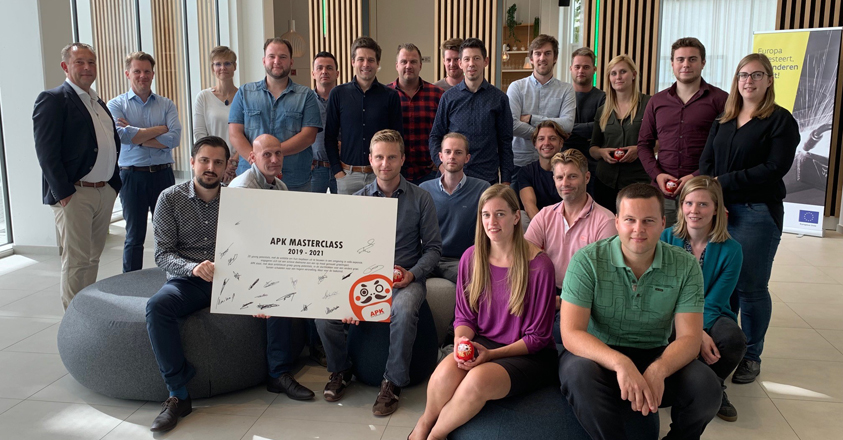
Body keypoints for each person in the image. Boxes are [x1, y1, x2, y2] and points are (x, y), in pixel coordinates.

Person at [558, 183, 721, 440]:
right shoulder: (587, 260)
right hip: (600, 355)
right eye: (630, 220)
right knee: (577, 373)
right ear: (617, 222)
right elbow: (571, 333)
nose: (638, 229)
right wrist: (620, 363)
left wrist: (660, 369)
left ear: (663, 223)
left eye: (648, 221)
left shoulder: (686, 266)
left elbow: (690, 339)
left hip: (655, 352)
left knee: (707, 388)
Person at [408, 184, 557, 440]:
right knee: (444, 373)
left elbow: (538, 338)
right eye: (486, 215)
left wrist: (490, 355)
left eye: (500, 214)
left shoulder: (539, 265)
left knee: (477, 380)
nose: (492, 222)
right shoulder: (471, 257)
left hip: (530, 354)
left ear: (516, 217)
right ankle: (422, 426)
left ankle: (435, 436)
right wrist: (461, 342)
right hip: (484, 343)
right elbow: (465, 316)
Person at [315, 130, 442, 416]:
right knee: (323, 312)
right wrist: (348, 294)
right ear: (370, 159)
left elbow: (434, 249)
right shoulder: (357, 200)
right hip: (363, 278)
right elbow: (346, 250)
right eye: (380, 157)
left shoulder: (421, 198)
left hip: (405, 280)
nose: (386, 164)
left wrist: (412, 274)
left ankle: (392, 382)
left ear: (403, 159)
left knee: (404, 309)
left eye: (392, 157)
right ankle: (341, 369)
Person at [700, 53, 800, 385]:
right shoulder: (724, 118)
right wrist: (712, 192)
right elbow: (706, 162)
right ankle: (727, 348)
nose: (749, 81)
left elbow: (774, 168)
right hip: (720, 212)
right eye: (743, 75)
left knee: (751, 287)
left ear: (769, 80)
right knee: (722, 284)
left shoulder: (779, 120)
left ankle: (752, 355)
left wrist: (723, 183)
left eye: (757, 75)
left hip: (756, 211)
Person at [146, 136, 229, 433]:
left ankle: (280, 374)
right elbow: (163, 254)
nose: (211, 167)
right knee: (157, 307)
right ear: (192, 162)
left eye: (218, 162)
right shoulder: (170, 198)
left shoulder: (237, 200)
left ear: (226, 167)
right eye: (204, 160)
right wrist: (193, 268)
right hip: (189, 280)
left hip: (232, 278)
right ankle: (179, 394)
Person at [33, 43, 121, 310]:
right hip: (75, 193)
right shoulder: (53, 99)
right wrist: (64, 193)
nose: (87, 67)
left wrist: (113, 186)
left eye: (91, 62)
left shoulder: (97, 101)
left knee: (92, 258)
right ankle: (73, 321)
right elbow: (46, 152)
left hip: (103, 191)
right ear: (65, 66)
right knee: (76, 261)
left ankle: (85, 312)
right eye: (79, 62)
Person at [228, 133, 316, 400]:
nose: (275, 159)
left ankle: (316, 347)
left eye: (278, 153)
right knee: (277, 294)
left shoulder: (279, 186)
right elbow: (239, 247)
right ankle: (278, 373)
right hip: (242, 268)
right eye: (267, 154)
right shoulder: (243, 188)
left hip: (267, 260)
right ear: (252, 157)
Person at [660, 175, 746, 422]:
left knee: (732, 340)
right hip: (668, 312)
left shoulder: (732, 250)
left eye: (703, 204)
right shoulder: (666, 238)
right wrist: (694, 334)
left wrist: (697, 331)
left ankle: (714, 386)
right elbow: (663, 291)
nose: (694, 210)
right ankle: (682, 383)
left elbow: (716, 301)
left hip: (710, 312)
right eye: (688, 203)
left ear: (716, 208)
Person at [524, 148, 616, 343]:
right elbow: (523, 259)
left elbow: (604, 281)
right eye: (559, 177)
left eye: (572, 176)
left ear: (587, 177)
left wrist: (560, 302)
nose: (564, 183)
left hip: (585, 299)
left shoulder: (605, 221)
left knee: (552, 333)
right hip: (547, 292)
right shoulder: (545, 215)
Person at [638, 37, 728, 226]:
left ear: (703, 63)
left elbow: (725, 150)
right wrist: (657, 174)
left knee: (702, 244)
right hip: (664, 193)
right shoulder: (656, 101)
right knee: (663, 242)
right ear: (672, 63)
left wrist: (696, 176)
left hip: (703, 191)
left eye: (692, 59)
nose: (686, 64)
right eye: (680, 59)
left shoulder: (721, 100)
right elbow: (644, 145)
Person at [107, 51, 181, 273]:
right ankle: (130, 283)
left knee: (167, 232)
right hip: (131, 176)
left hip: (163, 175)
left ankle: (172, 279)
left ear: (153, 74)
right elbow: (121, 136)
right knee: (134, 235)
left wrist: (136, 135)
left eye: (147, 71)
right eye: (137, 71)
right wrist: (159, 130)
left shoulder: (166, 104)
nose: (142, 76)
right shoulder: (116, 104)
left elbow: (174, 139)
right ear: (127, 74)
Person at [228, 38, 322, 191]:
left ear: (291, 62)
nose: (277, 61)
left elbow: (308, 136)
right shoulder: (244, 93)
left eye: (283, 57)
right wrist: (258, 160)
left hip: (294, 179)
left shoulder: (306, 95)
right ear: (264, 60)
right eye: (272, 56)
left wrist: (269, 155)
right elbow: (235, 134)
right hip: (251, 181)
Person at [325, 37, 403, 195]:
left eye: (371, 60)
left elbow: (398, 138)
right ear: (353, 62)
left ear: (378, 63)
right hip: (348, 176)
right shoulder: (338, 94)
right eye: (361, 59)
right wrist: (337, 172)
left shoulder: (391, 96)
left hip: (381, 175)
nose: (366, 64)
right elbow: (329, 137)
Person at [430, 38, 513, 186]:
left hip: (486, 178)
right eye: (466, 59)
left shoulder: (499, 99)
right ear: (460, 63)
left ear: (486, 61)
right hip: (452, 178)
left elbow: (505, 143)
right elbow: (435, 136)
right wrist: (442, 166)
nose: (471, 63)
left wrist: (506, 181)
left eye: (476, 58)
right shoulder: (448, 97)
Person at [420, 133, 490, 283]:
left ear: (467, 158)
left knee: (476, 283)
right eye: (448, 152)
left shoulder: (482, 189)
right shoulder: (424, 189)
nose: (452, 156)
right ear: (440, 156)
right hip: (427, 258)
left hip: (460, 260)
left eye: (458, 152)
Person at [507, 35, 575, 180]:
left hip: (553, 164)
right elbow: (512, 125)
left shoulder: (566, 90)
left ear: (555, 58)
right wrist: (549, 136)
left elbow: (568, 124)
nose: (542, 58)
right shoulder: (516, 87)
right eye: (538, 53)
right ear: (531, 58)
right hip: (520, 162)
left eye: (547, 53)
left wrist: (531, 118)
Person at [589, 55, 651, 213]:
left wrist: (639, 149)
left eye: (623, 71)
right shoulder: (602, 110)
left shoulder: (649, 104)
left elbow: (661, 142)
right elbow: (593, 148)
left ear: (634, 74)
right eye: (613, 73)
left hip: (638, 180)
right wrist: (602, 153)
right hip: (605, 181)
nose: (618, 77)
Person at [388, 43, 443, 185]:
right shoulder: (385, 95)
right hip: (395, 172)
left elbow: (447, 130)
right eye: (404, 62)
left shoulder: (437, 94)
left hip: (430, 172)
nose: (408, 66)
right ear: (397, 65)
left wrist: (440, 157)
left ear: (420, 65)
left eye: (413, 62)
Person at [193, 46, 239, 184]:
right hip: (211, 166)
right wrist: (219, 163)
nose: (222, 68)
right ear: (213, 68)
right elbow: (200, 134)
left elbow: (249, 134)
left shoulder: (244, 97)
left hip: (238, 166)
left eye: (227, 63)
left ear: (235, 66)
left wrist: (232, 163)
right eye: (218, 64)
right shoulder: (203, 97)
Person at [567, 47, 606, 195]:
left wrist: (567, 128)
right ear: (571, 68)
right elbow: (555, 127)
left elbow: (600, 128)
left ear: (594, 69)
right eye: (577, 66)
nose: (581, 71)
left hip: (593, 167)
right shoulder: (563, 96)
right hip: (565, 164)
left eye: (586, 67)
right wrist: (586, 131)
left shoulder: (603, 98)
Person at [518, 121, 567, 221]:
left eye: (552, 138)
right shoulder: (526, 172)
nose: (546, 143)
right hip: (538, 223)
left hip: (565, 222)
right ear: (535, 144)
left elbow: (575, 205)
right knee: (522, 218)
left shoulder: (570, 171)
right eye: (541, 139)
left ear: (561, 143)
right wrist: (544, 228)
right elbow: (529, 205)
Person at [310, 51, 340, 194]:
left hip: (340, 167)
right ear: (313, 73)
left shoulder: (345, 99)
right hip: (314, 169)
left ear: (337, 73)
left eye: (329, 68)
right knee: (311, 207)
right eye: (319, 68)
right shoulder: (306, 101)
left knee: (343, 207)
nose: (324, 71)